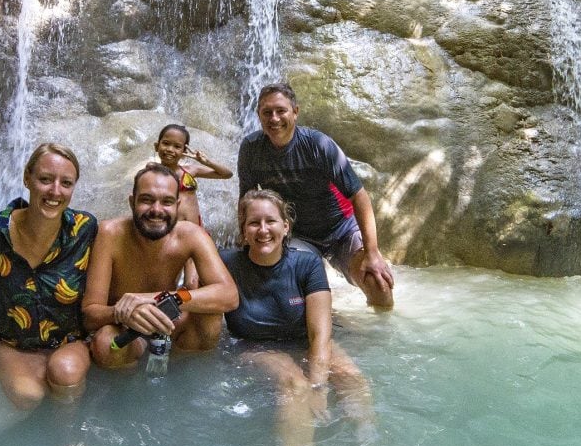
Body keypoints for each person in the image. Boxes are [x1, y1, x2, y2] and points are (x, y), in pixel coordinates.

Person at [223, 189, 374, 446]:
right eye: (254, 223)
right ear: (243, 229)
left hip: (303, 340)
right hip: (253, 347)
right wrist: (310, 388)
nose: (263, 230)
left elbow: (320, 335)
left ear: (286, 226)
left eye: (271, 221)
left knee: (351, 377)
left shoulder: (307, 264)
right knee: (294, 384)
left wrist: (320, 386)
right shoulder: (226, 263)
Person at [237, 83, 394, 309]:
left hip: (341, 230)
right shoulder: (251, 148)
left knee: (379, 286)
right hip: (296, 235)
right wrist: (244, 238)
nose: (274, 118)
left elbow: (359, 196)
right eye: (267, 112)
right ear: (259, 116)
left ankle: (382, 338)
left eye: (281, 111)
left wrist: (372, 252)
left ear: (295, 112)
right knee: (292, 299)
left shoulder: (317, 144)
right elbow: (247, 199)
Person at [83, 163, 238, 369]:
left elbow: (229, 296)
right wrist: (123, 313)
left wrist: (154, 300)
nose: (156, 210)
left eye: (167, 202)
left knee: (210, 315)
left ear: (177, 205)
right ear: (132, 202)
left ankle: (186, 381)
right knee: (105, 344)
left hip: (170, 325)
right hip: (125, 330)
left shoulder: (192, 234)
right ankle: (130, 392)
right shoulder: (110, 233)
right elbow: (89, 315)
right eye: (147, 200)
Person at [0, 143, 98, 409]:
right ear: (27, 178)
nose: (55, 191)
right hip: (13, 345)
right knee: (26, 396)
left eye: (66, 183)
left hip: (68, 343)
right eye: (45, 179)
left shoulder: (84, 230)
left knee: (66, 375)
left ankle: (67, 443)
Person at [153, 123, 233, 287]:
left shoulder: (191, 170)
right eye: (166, 143)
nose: (170, 149)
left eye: (177, 146)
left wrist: (205, 161)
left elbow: (226, 174)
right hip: (168, 234)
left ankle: (188, 311)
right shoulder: (152, 171)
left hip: (194, 233)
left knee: (192, 282)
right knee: (167, 282)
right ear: (157, 145)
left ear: (184, 152)